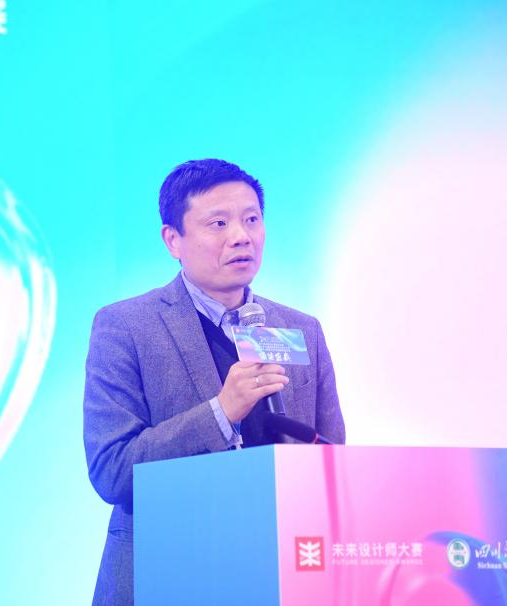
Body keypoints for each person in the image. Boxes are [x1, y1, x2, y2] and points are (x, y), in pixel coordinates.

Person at [83, 159, 345, 605]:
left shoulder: (301, 328)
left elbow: (333, 463)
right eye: (218, 223)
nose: (240, 236)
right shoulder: (125, 327)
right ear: (173, 239)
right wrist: (221, 413)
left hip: (278, 575)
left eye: (251, 220)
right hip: (166, 575)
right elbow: (113, 471)